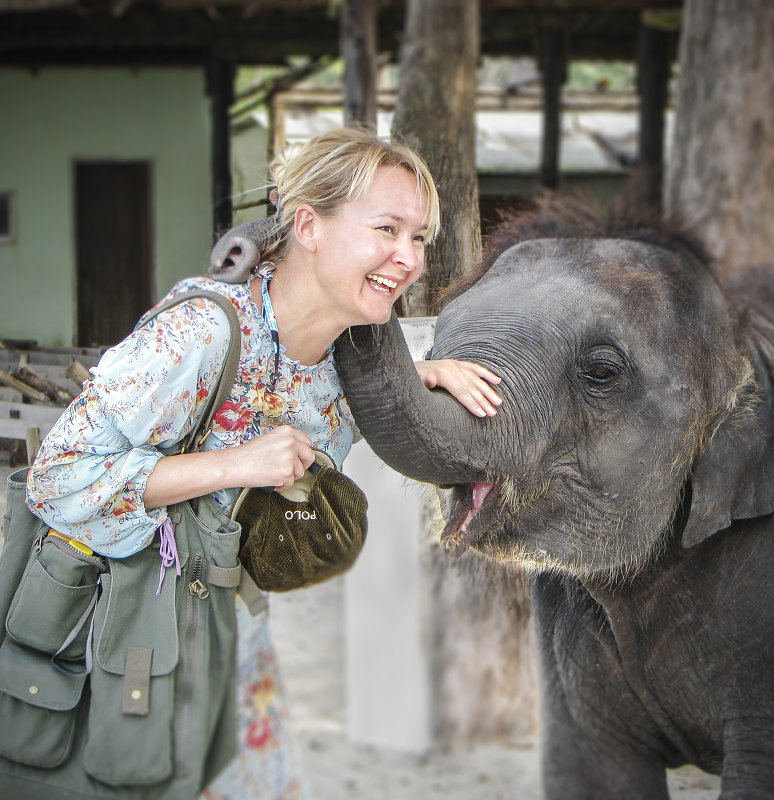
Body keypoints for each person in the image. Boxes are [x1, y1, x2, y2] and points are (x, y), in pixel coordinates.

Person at [25, 127, 502, 799]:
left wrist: (421, 373)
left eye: (418, 238)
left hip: (231, 637)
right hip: (123, 633)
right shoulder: (200, 334)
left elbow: (324, 411)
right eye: (387, 229)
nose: (408, 258)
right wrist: (234, 465)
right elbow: (57, 476)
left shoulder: (352, 355)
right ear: (308, 225)